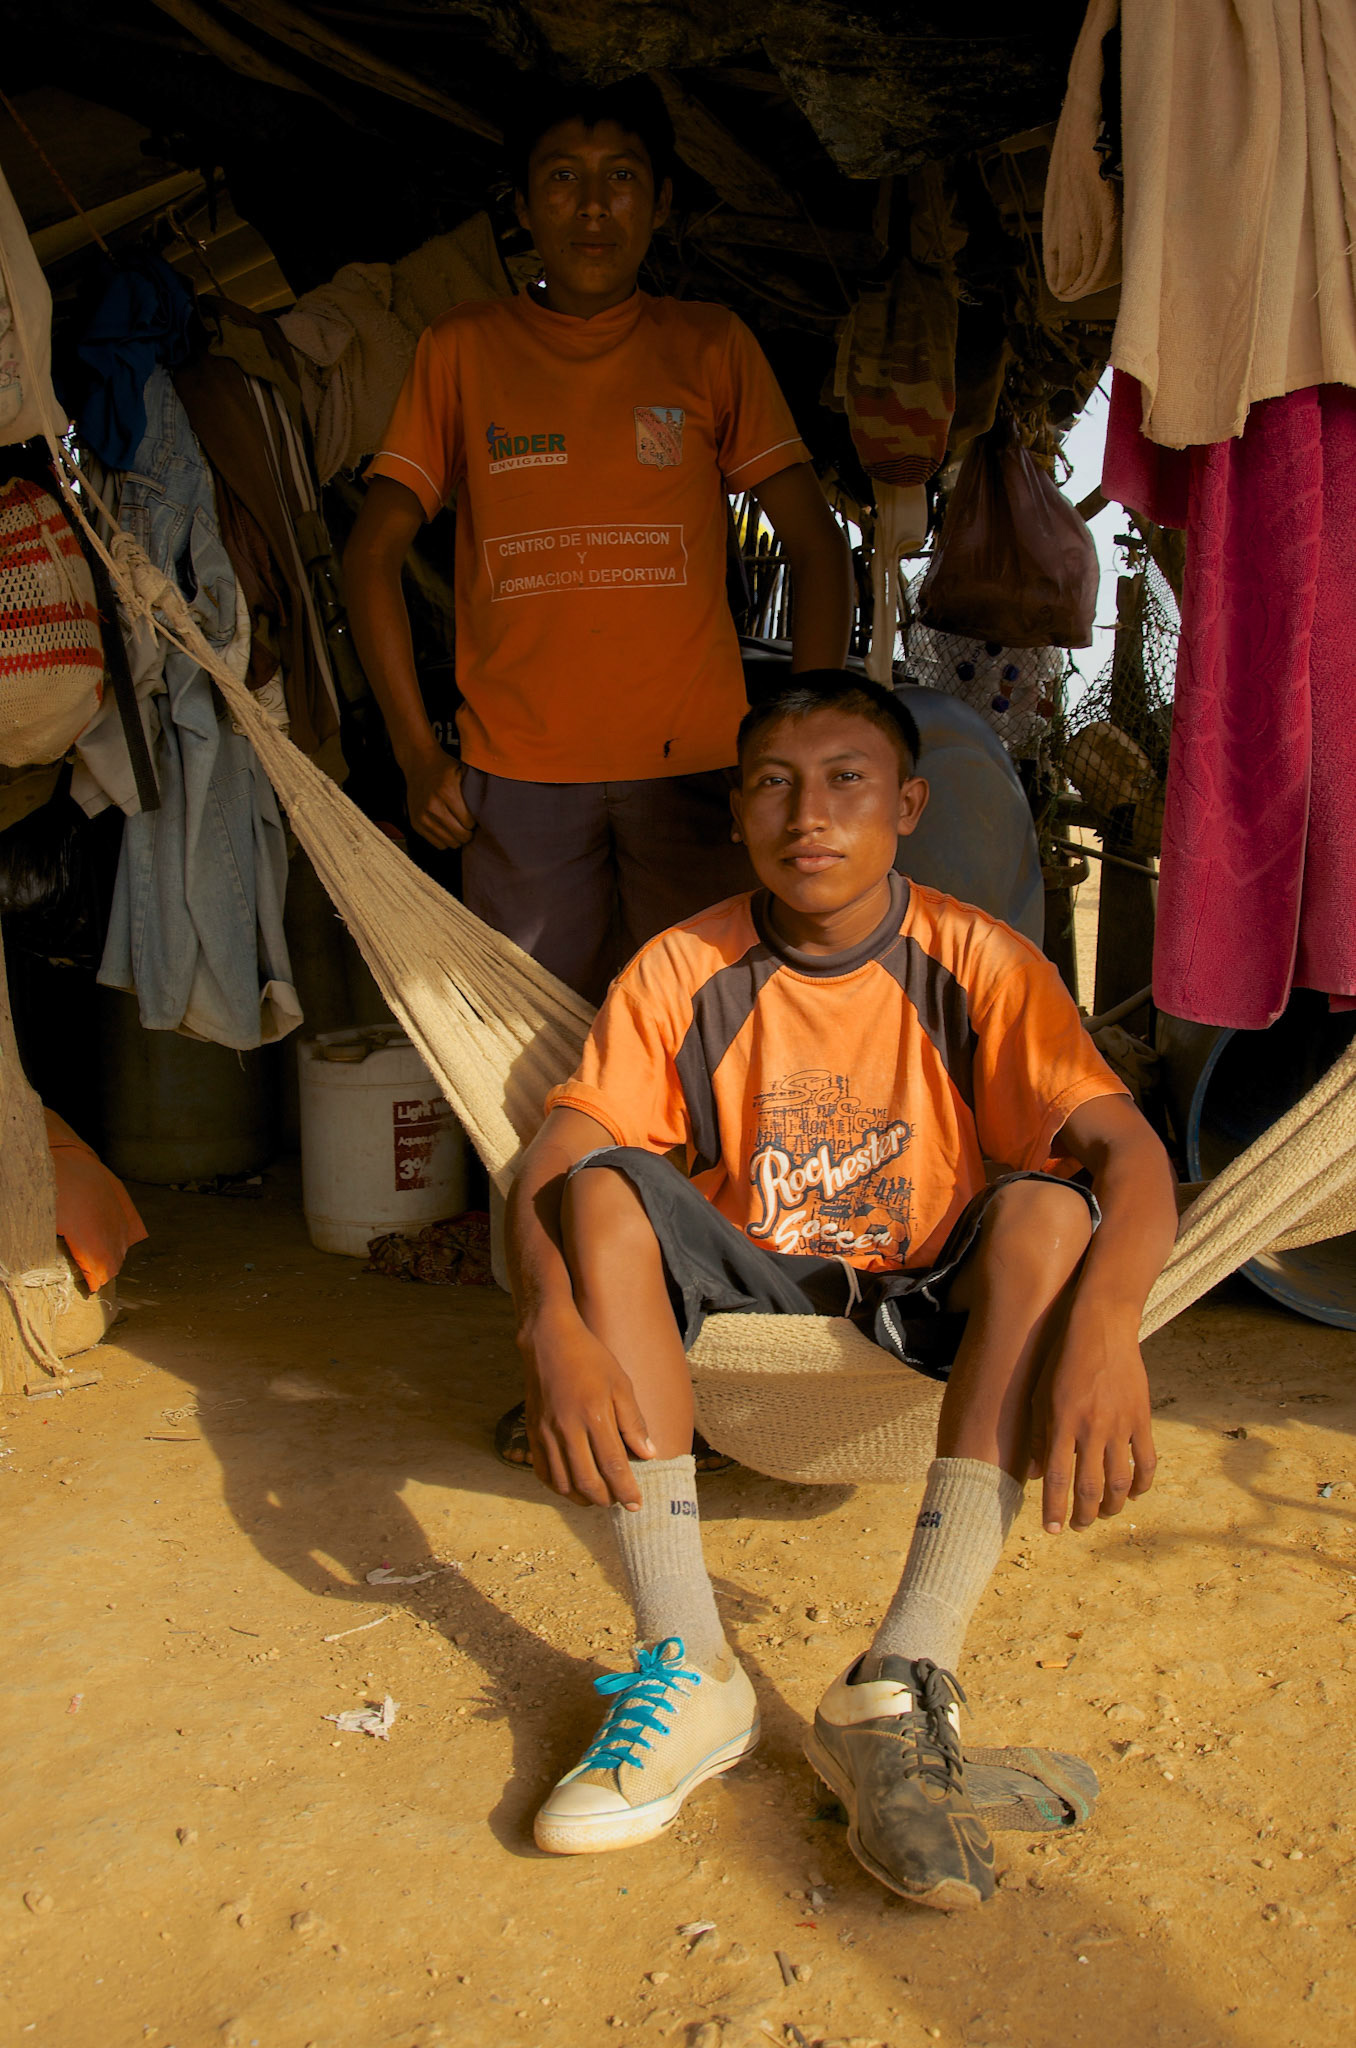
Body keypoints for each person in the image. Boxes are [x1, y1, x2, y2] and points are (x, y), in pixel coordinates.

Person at [505, 670, 1178, 1911]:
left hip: (927, 1300)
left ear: (908, 805)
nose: (808, 813)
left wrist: (1112, 1325)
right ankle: (691, 1664)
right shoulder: (682, 968)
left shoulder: (980, 960)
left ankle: (902, 1670)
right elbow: (550, 1163)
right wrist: (549, 1322)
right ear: (738, 811)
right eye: (773, 782)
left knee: (1043, 1207)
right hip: (752, 1303)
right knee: (597, 1189)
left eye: (846, 782)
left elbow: (1127, 1154)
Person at [345, 76, 852, 1008]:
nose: (591, 206)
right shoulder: (461, 348)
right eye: (562, 178)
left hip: (699, 774)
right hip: (517, 783)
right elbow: (370, 552)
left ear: (659, 202)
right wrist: (419, 755)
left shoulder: (709, 346)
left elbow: (819, 548)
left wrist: (798, 758)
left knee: (707, 1039)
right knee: (525, 1062)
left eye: (620, 177)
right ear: (523, 203)